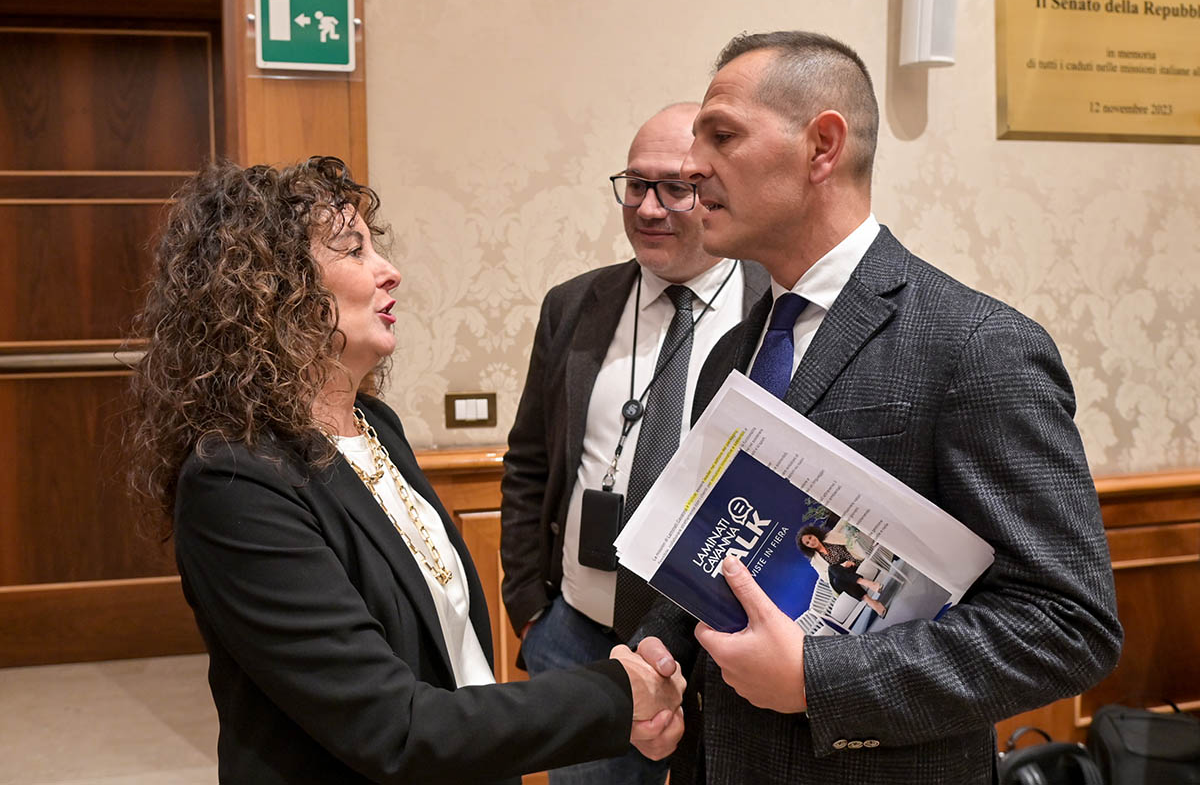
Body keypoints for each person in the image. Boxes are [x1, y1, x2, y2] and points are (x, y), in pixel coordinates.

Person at [632, 31, 1122, 784]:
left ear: (822, 147)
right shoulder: (733, 352)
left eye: (721, 136)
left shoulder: (977, 346)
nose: (692, 166)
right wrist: (663, 651)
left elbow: (1067, 625)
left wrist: (820, 679)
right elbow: (720, 551)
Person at [127, 156, 684, 784]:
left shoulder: (374, 424)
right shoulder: (236, 482)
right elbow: (394, 728)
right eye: (353, 250)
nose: (389, 271)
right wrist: (617, 696)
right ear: (273, 286)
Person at [500, 103, 768, 785]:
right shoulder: (573, 306)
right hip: (578, 639)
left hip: (722, 655)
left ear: (716, 190)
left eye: (674, 188)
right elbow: (529, 461)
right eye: (636, 184)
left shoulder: (775, 313)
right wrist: (530, 608)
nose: (648, 208)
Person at [795, 526, 886, 618]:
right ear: (807, 547)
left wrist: (851, 561)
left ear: (814, 534)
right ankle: (867, 583)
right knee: (832, 569)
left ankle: (872, 603)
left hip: (851, 568)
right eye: (807, 543)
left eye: (810, 537)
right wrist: (842, 566)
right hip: (837, 580)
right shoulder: (815, 561)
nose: (811, 542)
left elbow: (849, 542)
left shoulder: (831, 537)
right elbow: (825, 578)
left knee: (838, 580)